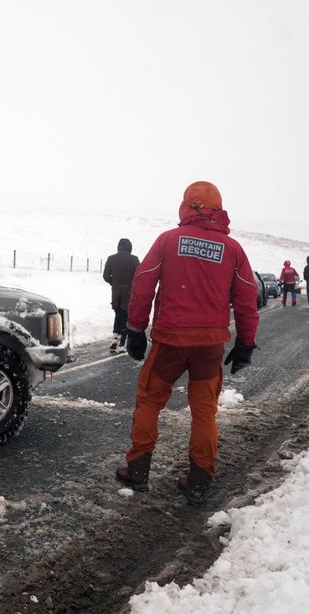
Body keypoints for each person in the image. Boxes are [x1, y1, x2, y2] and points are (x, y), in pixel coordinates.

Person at [115, 181, 259, 505]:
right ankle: (198, 480)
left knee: (150, 402)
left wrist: (135, 329)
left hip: (170, 341)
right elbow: (247, 297)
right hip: (210, 345)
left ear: (186, 205)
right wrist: (246, 343)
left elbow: (143, 283)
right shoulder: (233, 250)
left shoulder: (168, 241)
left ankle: (137, 469)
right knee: (204, 413)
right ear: (218, 209)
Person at [103, 238, 140, 351]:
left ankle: (115, 336)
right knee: (125, 315)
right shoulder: (134, 260)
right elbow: (139, 275)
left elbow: (105, 276)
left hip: (116, 292)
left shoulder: (111, 259)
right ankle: (122, 343)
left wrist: (114, 283)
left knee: (118, 313)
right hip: (128, 292)